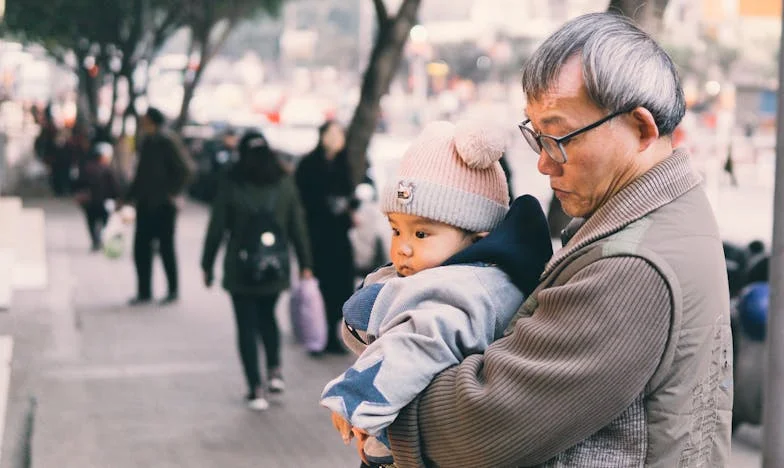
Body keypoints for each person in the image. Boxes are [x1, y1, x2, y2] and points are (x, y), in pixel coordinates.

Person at [386, 13, 733, 467]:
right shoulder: (670, 213)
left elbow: (483, 428)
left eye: (558, 137)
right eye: (537, 137)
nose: (545, 165)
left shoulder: (633, 266)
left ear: (642, 128)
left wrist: (380, 392)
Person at [320, 120, 553, 467]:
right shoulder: (452, 274)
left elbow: (420, 340)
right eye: (397, 230)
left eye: (422, 234)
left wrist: (356, 397)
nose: (403, 249)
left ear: (477, 236)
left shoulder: (465, 289)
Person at [201, 130, 313, 411]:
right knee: (268, 318)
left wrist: (206, 264)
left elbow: (216, 227)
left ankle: (255, 388)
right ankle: (274, 371)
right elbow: (297, 226)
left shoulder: (231, 183)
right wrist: (306, 263)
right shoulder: (284, 182)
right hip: (275, 268)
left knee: (246, 326)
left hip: (240, 269)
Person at [295, 120, 357, 354]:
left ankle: (334, 333)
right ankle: (315, 335)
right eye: (333, 133)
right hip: (317, 234)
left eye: (340, 134)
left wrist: (348, 207)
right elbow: (303, 199)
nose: (337, 138)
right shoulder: (309, 164)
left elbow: (351, 192)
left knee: (340, 286)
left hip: (339, 236)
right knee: (318, 286)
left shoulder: (343, 164)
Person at [125, 107, 193, 306]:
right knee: (141, 250)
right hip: (145, 204)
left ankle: (172, 290)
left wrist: (172, 192)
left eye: (145, 120)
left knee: (166, 248)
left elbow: (186, 170)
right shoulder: (147, 141)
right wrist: (128, 197)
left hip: (163, 205)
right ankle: (144, 291)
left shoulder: (166, 141)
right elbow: (141, 175)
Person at [73, 142, 121, 251]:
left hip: (89, 202)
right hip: (103, 202)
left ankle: (96, 240)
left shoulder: (86, 168)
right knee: (104, 221)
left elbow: (78, 184)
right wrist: (118, 199)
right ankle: (99, 239)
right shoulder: (107, 170)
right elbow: (114, 187)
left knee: (91, 222)